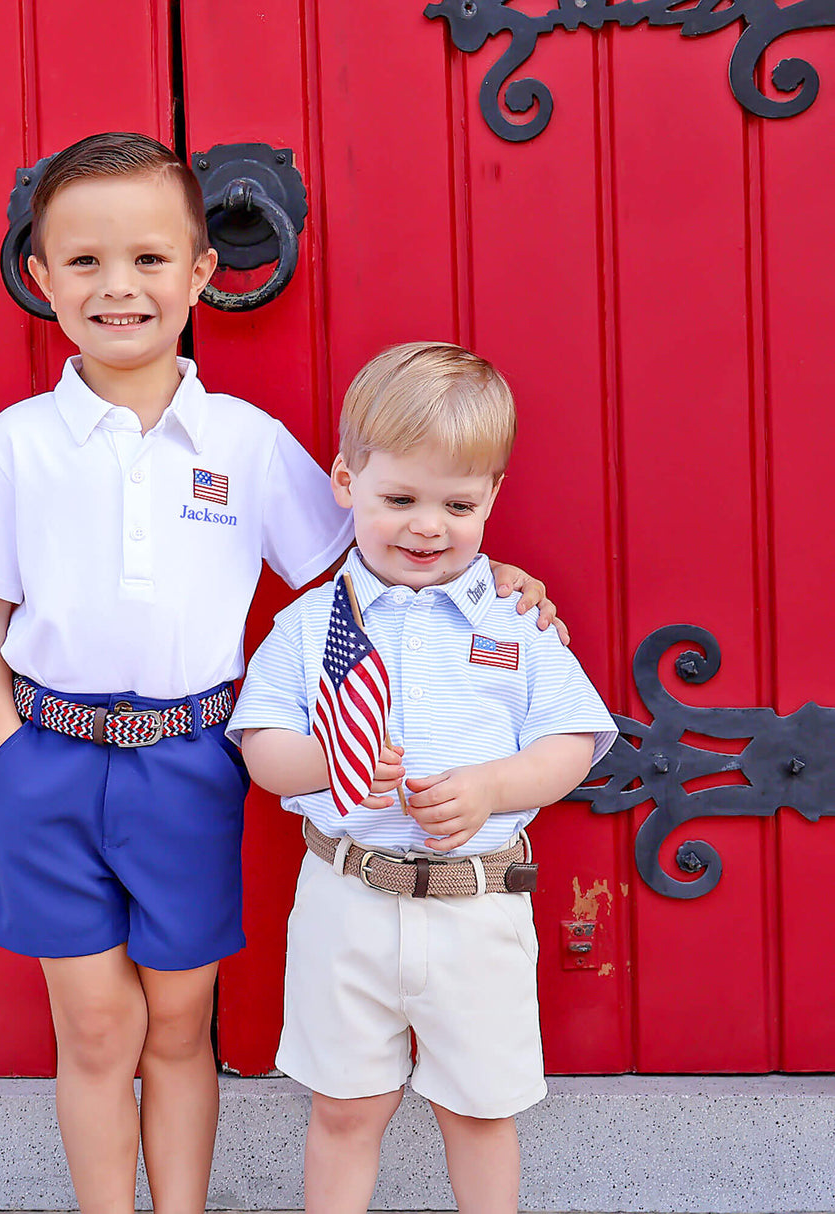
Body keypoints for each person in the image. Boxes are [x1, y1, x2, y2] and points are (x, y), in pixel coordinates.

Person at [0, 135, 560, 1214]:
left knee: (176, 1022)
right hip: (48, 762)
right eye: (84, 262)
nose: (118, 286)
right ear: (41, 278)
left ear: (202, 271)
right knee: (95, 1025)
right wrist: (2, 753)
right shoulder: (19, 443)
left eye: (149, 259)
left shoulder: (243, 442)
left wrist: (492, 580)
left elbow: (364, 562)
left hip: (187, 762)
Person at [228, 341, 618, 1214]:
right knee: (343, 1109)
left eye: (457, 504)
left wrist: (492, 788)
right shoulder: (310, 625)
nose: (427, 526)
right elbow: (262, 748)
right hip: (347, 900)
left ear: (491, 499)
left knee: (480, 1111)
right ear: (346, 482)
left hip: (475, 906)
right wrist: (331, 760)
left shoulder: (514, 621)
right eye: (399, 499)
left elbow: (569, 743)